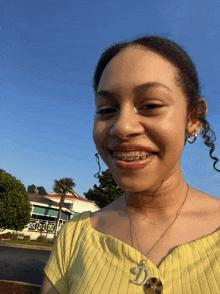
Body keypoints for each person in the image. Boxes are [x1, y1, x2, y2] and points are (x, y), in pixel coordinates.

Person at [41, 35, 220, 294]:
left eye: (150, 105)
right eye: (106, 110)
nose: (122, 126)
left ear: (194, 118)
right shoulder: (75, 237)